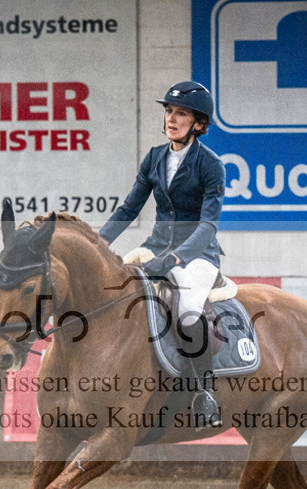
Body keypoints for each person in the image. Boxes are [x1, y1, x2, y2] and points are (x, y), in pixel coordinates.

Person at [99, 80, 225, 429]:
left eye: (180, 113)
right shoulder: (154, 157)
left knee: (187, 313)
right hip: (155, 247)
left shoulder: (211, 165)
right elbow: (128, 209)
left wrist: (176, 259)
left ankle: (205, 393)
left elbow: (207, 227)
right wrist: (97, 243)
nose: (171, 118)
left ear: (198, 124)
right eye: (169, 111)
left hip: (198, 255)